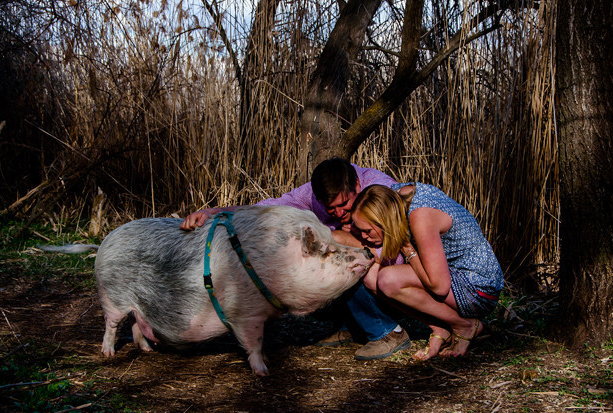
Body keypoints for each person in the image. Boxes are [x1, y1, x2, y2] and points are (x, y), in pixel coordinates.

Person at [181, 158, 411, 360]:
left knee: (346, 255)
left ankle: (389, 331)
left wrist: (340, 237)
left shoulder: (380, 188)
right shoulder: (309, 194)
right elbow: (268, 209)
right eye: (332, 209)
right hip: (368, 266)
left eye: (344, 205)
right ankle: (353, 326)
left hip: (396, 275)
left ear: (358, 186)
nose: (340, 213)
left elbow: (395, 253)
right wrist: (215, 212)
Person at [351, 183, 503, 360]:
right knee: (373, 278)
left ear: (384, 220)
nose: (363, 237)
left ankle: (464, 326)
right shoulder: (397, 196)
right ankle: (440, 328)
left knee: (387, 280)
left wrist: (407, 249)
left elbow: (439, 286)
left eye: (367, 231)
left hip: (479, 289)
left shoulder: (420, 216)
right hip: (455, 275)